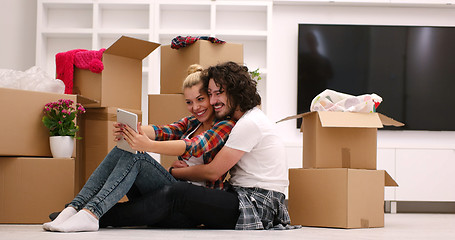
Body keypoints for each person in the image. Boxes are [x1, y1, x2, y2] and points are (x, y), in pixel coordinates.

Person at [96, 61, 294, 230]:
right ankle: (90, 210)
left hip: (257, 204)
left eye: (219, 94)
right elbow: (168, 130)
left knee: (178, 194)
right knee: (164, 195)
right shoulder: (240, 120)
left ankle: (100, 216)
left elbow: (212, 172)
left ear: (236, 92)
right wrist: (137, 131)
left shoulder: (249, 123)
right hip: (239, 194)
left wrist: (174, 172)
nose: (214, 101)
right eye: (211, 94)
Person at [43, 64, 235, 232]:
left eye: (200, 99)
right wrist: (133, 130)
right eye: (189, 102)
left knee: (138, 157)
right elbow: (163, 131)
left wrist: (149, 146)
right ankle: (76, 208)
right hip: (171, 194)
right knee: (124, 148)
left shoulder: (224, 125)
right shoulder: (192, 123)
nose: (195, 107)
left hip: (191, 207)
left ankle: (92, 213)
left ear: (210, 97)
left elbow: (196, 145)